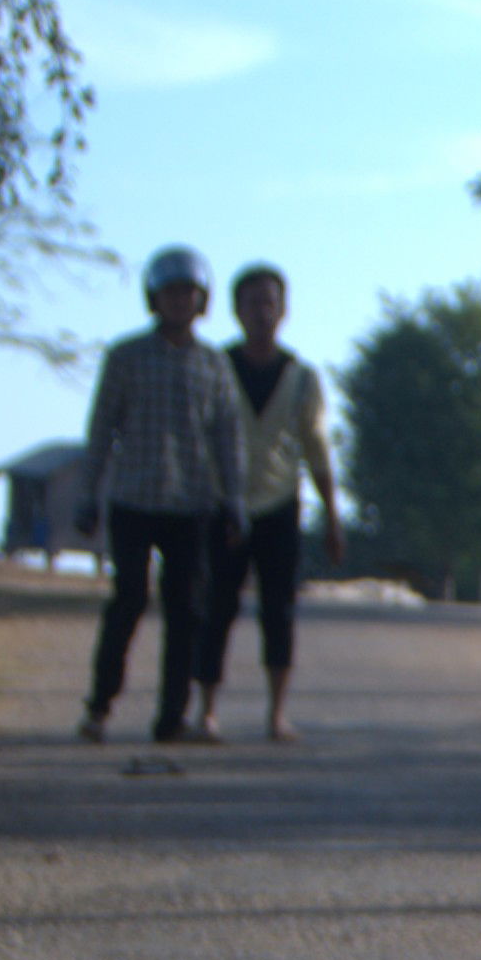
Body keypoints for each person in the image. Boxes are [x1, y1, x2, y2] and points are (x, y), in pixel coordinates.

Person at [76, 246, 247, 746]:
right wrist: (88, 494)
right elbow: (101, 428)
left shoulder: (214, 365)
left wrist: (235, 500)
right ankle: (99, 706)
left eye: (188, 294)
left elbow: (228, 438)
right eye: (171, 293)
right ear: (154, 298)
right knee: (127, 600)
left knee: (186, 612)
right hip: (133, 499)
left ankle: (172, 717)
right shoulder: (125, 357)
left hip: (192, 504)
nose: (180, 302)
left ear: (202, 302)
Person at [191, 264, 343, 741]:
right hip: (222, 502)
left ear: (284, 311)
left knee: (279, 611)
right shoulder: (214, 366)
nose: (261, 312)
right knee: (216, 608)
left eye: (269, 303)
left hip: (279, 503)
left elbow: (316, 446)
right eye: (252, 302)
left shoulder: (301, 378)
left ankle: (277, 713)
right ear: (236, 310)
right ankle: (207, 711)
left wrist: (332, 515)